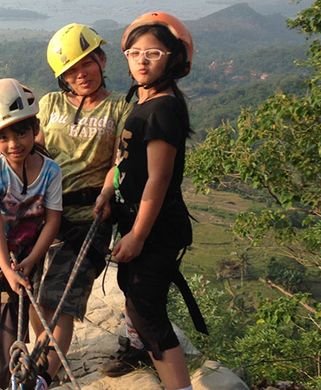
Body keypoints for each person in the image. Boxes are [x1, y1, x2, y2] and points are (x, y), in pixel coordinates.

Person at [94, 12, 208, 390]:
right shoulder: (146, 102)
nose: (141, 60)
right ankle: (138, 351)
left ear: (173, 59)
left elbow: (158, 179)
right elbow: (126, 159)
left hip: (157, 230)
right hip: (141, 223)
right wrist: (109, 190)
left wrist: (138, 235)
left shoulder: (162, 109)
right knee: (133, 289)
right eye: (134, 52)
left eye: (154, 53)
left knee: (147, 310)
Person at [33, 23, 135, 386]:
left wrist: (108, 194)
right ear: (63, 77)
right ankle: (44, 356)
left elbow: (118, 162)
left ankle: (43, 374)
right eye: (71, 70)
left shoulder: (120, 108)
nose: (81, 74)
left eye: (86, 64)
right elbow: (36, 150)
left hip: (86, 215)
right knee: (29, 292)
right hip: (43, 210)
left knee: (57, 298)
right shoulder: (50, 104)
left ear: (101, 59)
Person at [0, 78, 62, 389]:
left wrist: (30, 262)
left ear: (34, 129)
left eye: (20, 132)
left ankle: (6, 378)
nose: (13, 143)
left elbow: (53, 222)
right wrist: (8, 269)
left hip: (24, 248)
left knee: (15, 313)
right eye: (2, 137)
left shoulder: (50, 171)